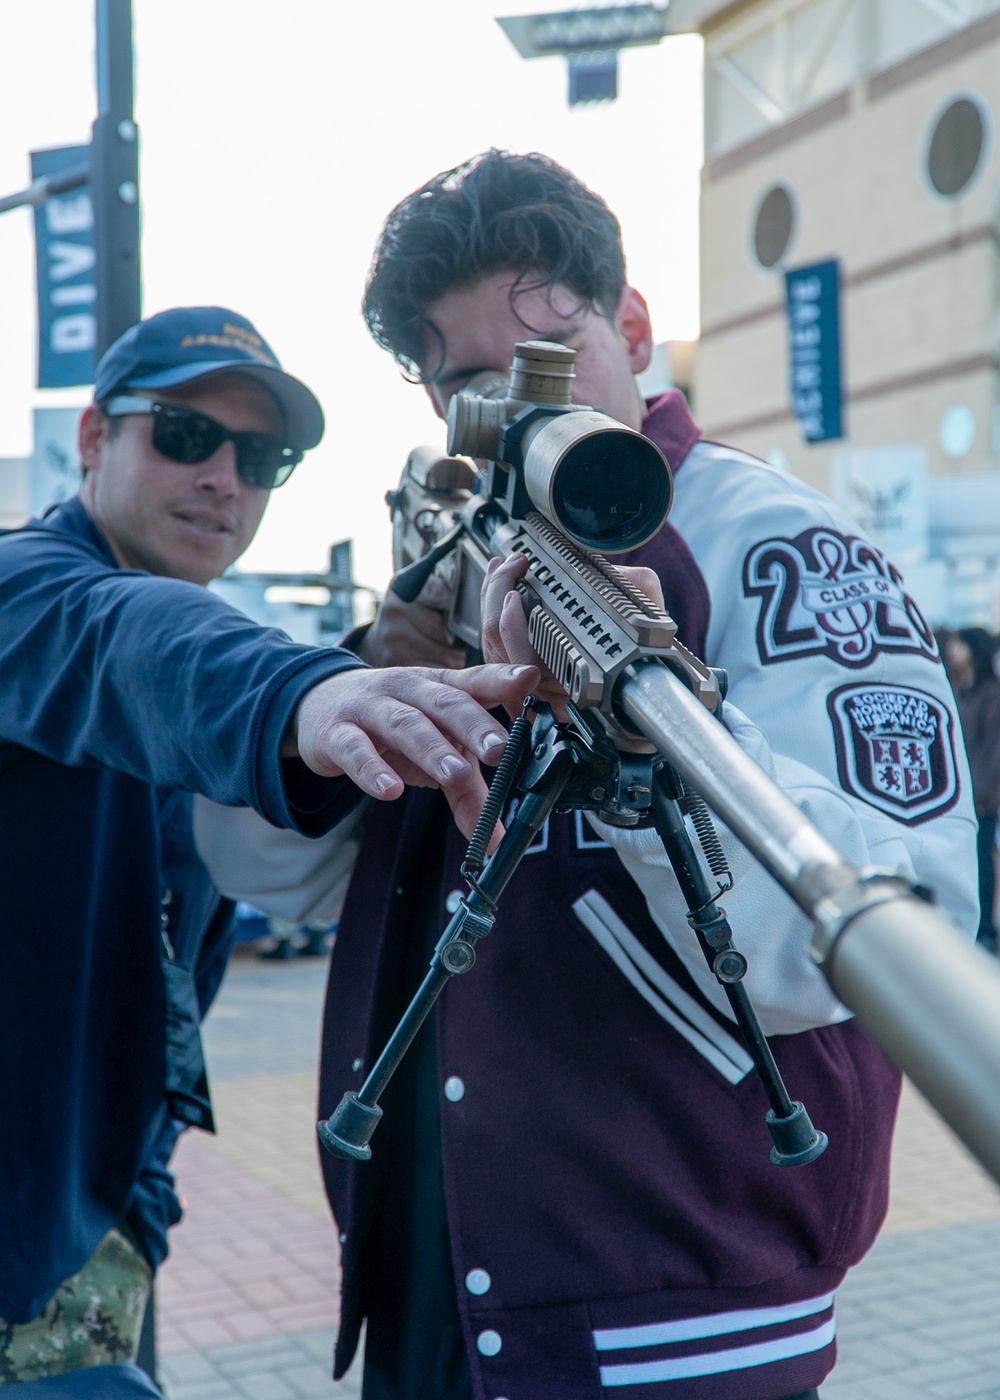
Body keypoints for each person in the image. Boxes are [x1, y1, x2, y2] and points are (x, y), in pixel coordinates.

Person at [197, 155, 978, 1400]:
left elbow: (896, 915)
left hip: (678, 1306)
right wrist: (359, 690)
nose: (510, 409)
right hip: (430, 1282)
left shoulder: (769, 544)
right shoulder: (456, 564)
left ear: (631, 327)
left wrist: (639, 734)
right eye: (466, 388)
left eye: (546, 361)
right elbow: (270, 875)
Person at [0, 304, 536, 1383]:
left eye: (263, 456)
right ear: (95, 438)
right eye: (188, 436)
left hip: (93, 1220)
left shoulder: (187, 646)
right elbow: (121, 640)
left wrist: (140, 1194)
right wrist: (312, 685)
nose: (225, 478)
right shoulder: (27, 590)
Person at [941, 626, 1000, 951]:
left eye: (960, 644)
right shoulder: (960, 687)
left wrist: (982, 794)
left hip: (980, 796)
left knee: (982, 858)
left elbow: (994, 750)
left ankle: (986, 929)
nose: (952, 650)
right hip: (963, 794)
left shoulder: (991, 692)